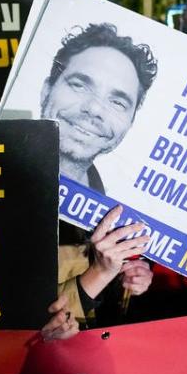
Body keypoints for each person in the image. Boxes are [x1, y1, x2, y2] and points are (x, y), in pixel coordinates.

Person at [38, 23, 157, 331]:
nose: (93, 109)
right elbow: (32, 327)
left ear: (129, 123)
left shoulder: (123, 206)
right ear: (45, 89)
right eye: (79, 85)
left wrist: (130, 279)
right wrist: (100, 273)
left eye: (117, 102)